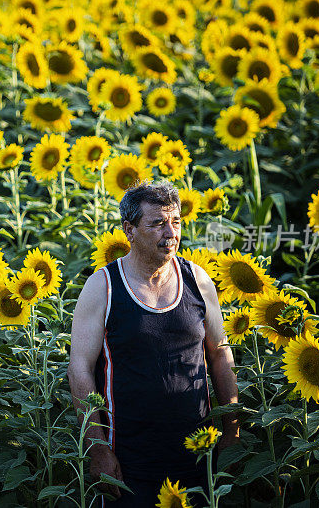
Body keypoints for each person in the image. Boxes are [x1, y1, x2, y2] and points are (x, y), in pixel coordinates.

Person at [68, 182, 239, 507]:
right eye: (158, 223)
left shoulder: (197, 280)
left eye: (175, 221)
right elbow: (80, 369)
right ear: (129, 230)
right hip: (129, 457)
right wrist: (98, 449)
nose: (171, 233)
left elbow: (220, 354)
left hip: (197, 451)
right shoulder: (103, 287)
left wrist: (231, 430)